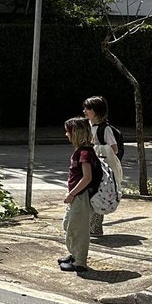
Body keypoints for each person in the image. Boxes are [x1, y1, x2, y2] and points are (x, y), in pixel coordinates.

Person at [60, 117, 102, 273]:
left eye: (68, 131)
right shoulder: (81, 151)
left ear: (76, 133)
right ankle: (74, 253)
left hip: (81, 196)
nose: (66, 134)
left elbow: (87, 178)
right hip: (77, 196)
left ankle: (80, 262)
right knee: (68, 225)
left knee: (79, 229)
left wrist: (72, 194)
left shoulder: (85, 153)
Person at [83, 95, 123, 238]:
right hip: (91, 165)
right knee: (89, 195)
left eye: (88, 109)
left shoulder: (105, 129)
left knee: (97, 195)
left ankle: (96, 227)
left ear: (96, 111)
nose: (85, 111)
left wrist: (98, 149)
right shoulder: (88, 126)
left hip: (101, 169)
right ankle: (90, 226)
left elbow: (114, 149)